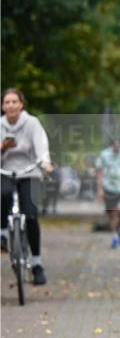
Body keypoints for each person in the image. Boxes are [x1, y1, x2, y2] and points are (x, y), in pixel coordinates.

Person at [0, 89, 53, 285]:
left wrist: (45, 163)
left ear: (21, 104)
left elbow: (41, 145)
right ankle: (3, 232)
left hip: (29, 172)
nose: (11, 105)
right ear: (2, 106)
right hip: (5, 171)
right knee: (3, 193)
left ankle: (37, 264)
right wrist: (3, 147)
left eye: (15, 101)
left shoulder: (32, 123)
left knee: (31, 215)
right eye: (7, 102)